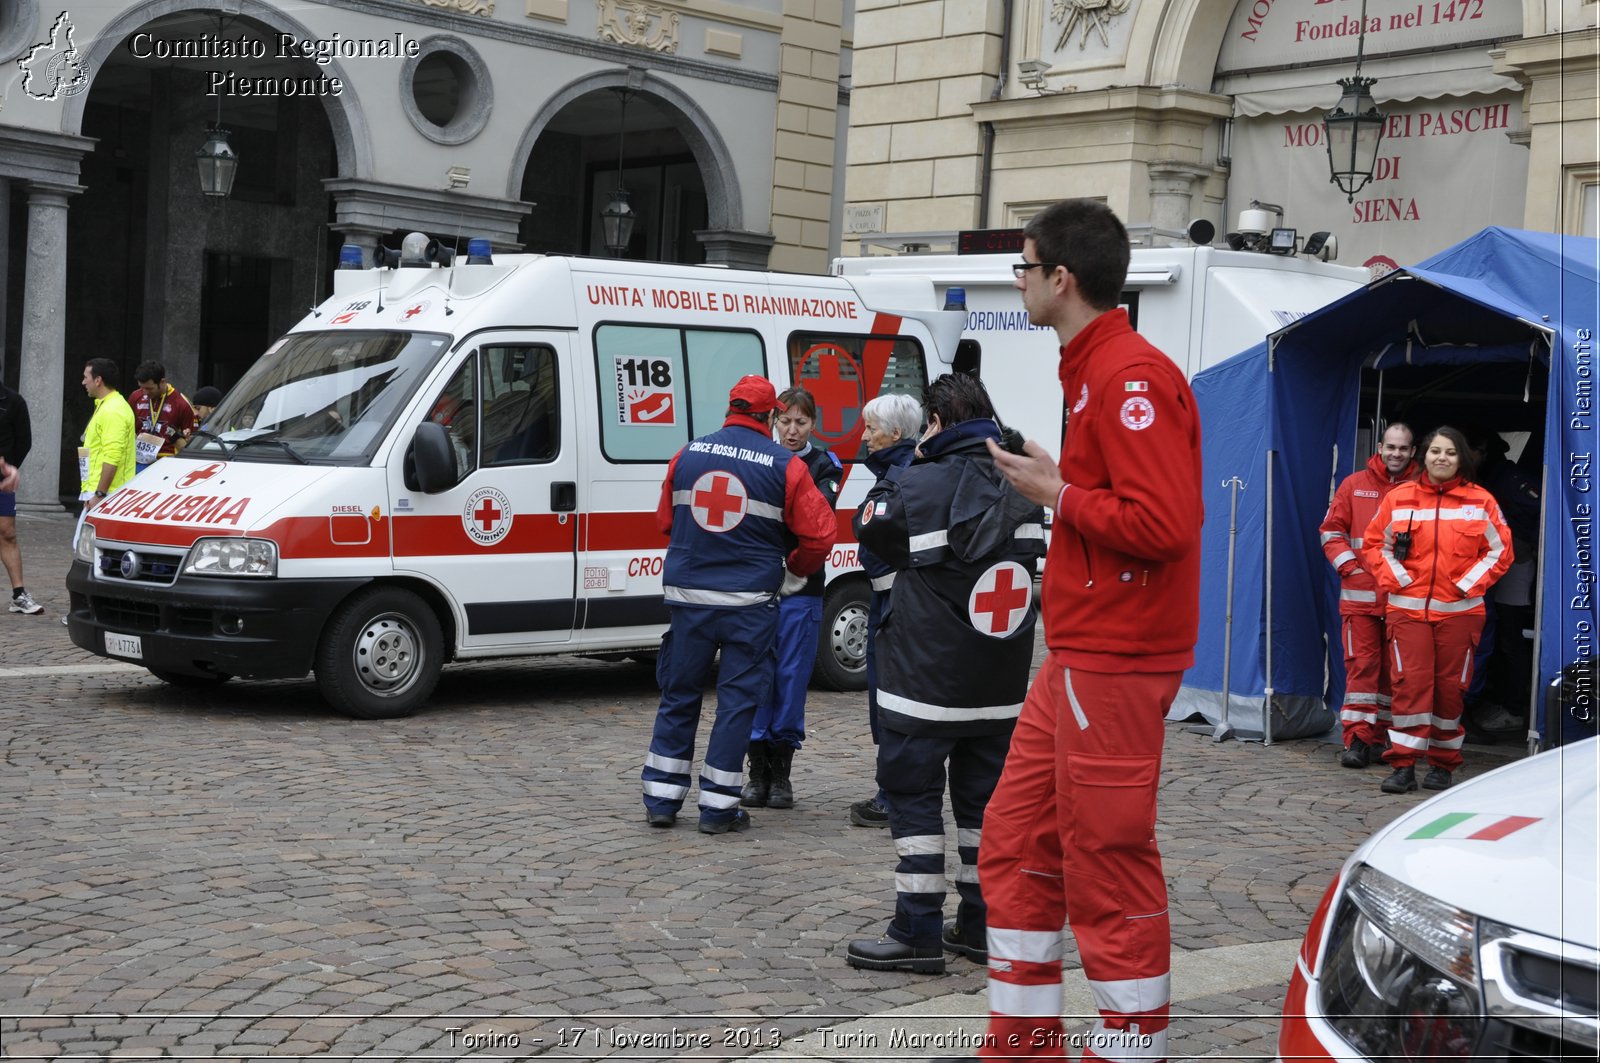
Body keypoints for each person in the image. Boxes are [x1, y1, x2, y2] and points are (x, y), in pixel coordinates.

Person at [979, 199, 1204, 1061]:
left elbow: (1162, 523)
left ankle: (1128, 1047)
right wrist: (1061, 474)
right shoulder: (1098, 366)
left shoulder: (1128, 375)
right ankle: (1025, 1041)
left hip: (1113, 654)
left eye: (1024, 268)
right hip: (1082, 651)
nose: (1020, 282)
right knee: (1016, 840)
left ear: (1060, 278)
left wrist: (1056, 492)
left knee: (1105, 854)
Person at [845, 373, 1045, 976]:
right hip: (1000, 687)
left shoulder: (913, 483)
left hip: (925, 686)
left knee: (913, 804)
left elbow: (871, 532)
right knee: (985, 811)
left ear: (934, 423)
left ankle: (917, 929)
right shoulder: (1026, 486)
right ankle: (981, 924)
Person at [640, 376, 836, 834]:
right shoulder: (785, 466)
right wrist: (795, 568)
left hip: (689, 601)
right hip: (749, 604)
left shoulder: (687, 454)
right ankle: (718, 808)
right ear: (770, 417)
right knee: (735, 704)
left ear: (730, 408)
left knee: (679, 695)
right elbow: (821, 534)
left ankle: (662, 800)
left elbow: (664, 520)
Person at [1363, 425, 1513, 793]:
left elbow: (1500, 552)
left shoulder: (1481, 501)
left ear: (1461, 458)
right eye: (1435, 451)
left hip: (1460, 615)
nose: (1441, 458)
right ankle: (1403, 765)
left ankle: (1443, 766)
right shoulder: (1399, 498)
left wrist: (1463, 586)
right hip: (1407, 613)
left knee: (1449, 691)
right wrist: (1399, 580)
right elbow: (1373, 545)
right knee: (1409, 690)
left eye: (1450, 452)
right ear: (1423, 456)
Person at [740, 387, 842, 810]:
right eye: (785, 421)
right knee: (755, 676)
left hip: (803, 589)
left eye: (801, 422)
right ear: (773, 422)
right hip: (760, 588)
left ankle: (781, 772)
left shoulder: (824, 463)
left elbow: (815, 520)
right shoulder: (760, 459)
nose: (792, 430)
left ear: (813, 424)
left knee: (790, 680)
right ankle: (756, 770)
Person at [1318, 423, 1419, 768]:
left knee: (1396, 675)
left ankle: (1382, 740)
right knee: (1362, 669)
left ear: (1412, 452)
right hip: (1360, 599)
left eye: (1402, 448)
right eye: (1390, 447)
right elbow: (1331, 532)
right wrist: (1352, 569)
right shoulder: (1353, 485)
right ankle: (1358, 740)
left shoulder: (1421, 489)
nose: (1396, 454)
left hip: (1402, 600)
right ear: (1379, 447)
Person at [847, 391, 923, 828]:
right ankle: (891, 790)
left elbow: (885, 543)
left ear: (895, 433)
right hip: (891, 601)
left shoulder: (902, 475)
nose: (865, 436)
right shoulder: (900, 470)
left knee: (893, 696)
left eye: (871, 428)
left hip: (897, 605)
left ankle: (892, 795)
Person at [1461, 426, 1541, 735]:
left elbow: (1540, 506)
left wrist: (1524, 539)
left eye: (1472, 451)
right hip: (1484, 571)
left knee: (1508, 636)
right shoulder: (1483, 480)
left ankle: (1511, 706)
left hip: (1511, 566)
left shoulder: (1507, 478)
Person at [77, 359, 137, 550]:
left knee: (94, 550)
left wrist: (99, 494)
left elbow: (112, 457)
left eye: (86, 377)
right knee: (86, 549)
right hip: (99, 493)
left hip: (109, 495)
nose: (83, 382)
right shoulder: (105, 406)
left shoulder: (113, 410)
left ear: (98, 380)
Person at [0, 380, 43, 615]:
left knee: (7, 533)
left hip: (2, 480)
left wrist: (11, 468)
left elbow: (24, 440)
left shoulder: (13, 401)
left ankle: (19, 595)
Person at [129, 361, 195, 467]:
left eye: (149, 388)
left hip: (166, 462)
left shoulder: (181, 403)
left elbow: (190, 442)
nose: (145, 392)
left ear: (162, 382)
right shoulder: (135, 396)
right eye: (142, 387)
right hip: (137, 460)